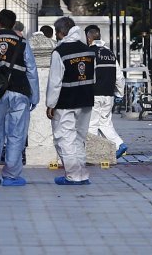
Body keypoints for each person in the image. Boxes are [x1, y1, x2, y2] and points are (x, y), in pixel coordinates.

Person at [0, 9, 39, 186]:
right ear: (14, 23)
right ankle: (11, 176)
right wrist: (34, 97)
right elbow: (31, 70)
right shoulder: (22, 41)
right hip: (20, 92)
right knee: (16, 135)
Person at [46, 16, 96, 185]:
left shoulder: (60, 52)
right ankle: (82, 175)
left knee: (64, 138)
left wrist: (50, 104)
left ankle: (73, 175)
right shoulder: (88, 50)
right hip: (86, 99)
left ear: (61, 33)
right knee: (79, 139)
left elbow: (55, 81)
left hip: (66, 100)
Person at [85, 24, 128, 158]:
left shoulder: (90, 53)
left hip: (94, 94)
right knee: (105, 123)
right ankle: (119, 144)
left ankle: (92, 153)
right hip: (108, 95)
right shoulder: (110, 53)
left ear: (88, 38)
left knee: (92, 125)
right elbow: (119, 76)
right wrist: (119, 93)